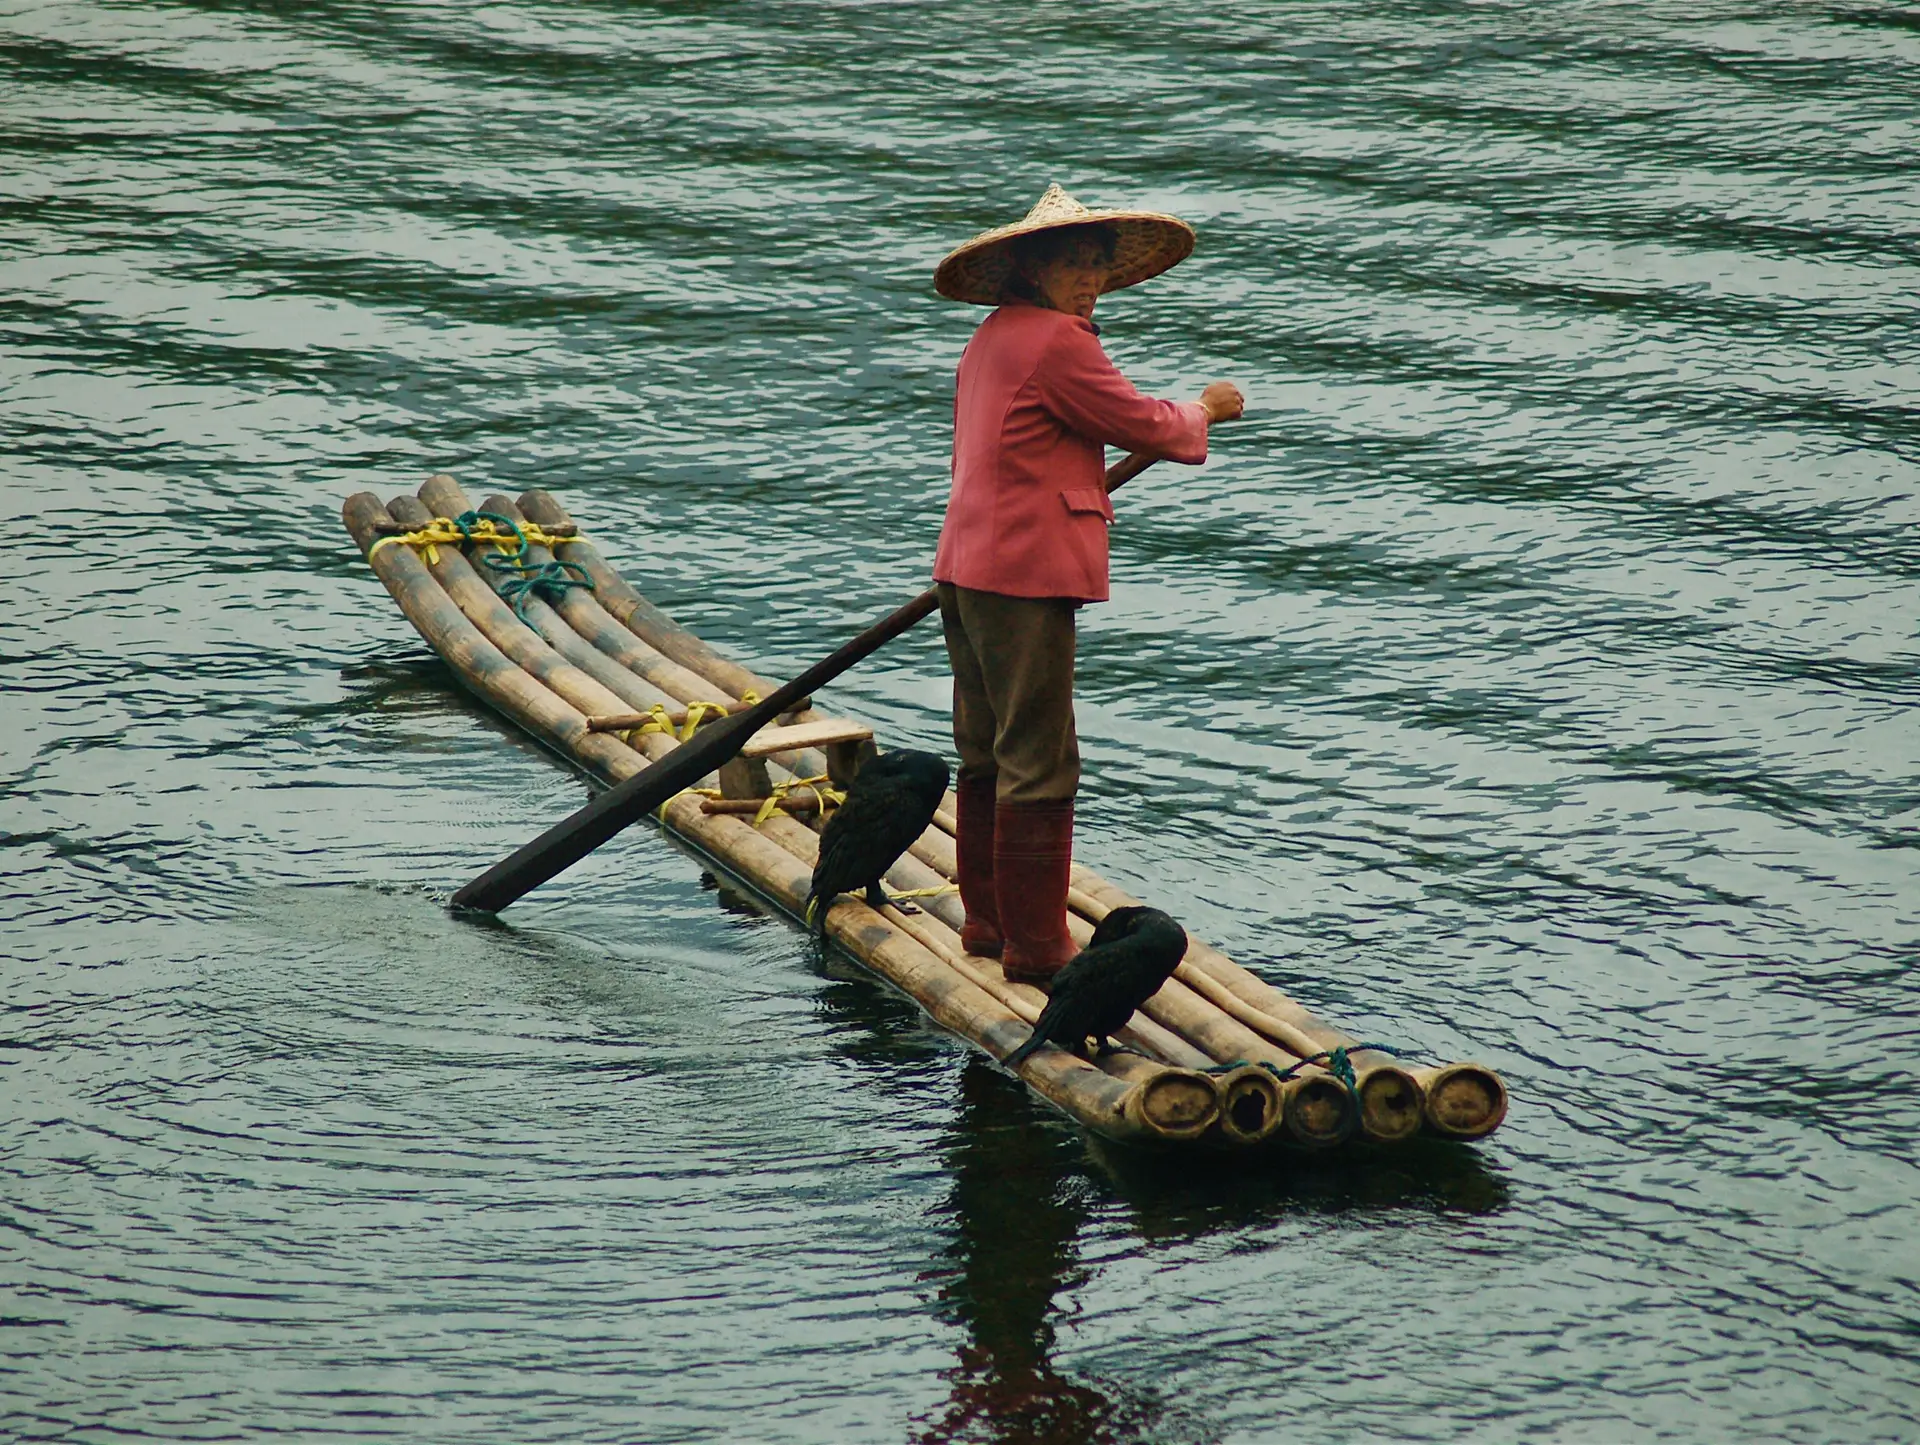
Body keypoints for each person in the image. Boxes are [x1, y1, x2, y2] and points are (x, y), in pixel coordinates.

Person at [930, 184, 1244, 981]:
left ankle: (986, 920)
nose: (1088, 278)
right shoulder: (1056, 342)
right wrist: (1203, 408)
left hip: (967, 567)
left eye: (1096, 263)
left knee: (986, 748)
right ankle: (1037, 948)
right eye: (1071, 261)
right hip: (1023, 572)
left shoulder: (992, 336)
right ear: (1031, 268)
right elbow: (1142, 422)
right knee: (1040, 757)